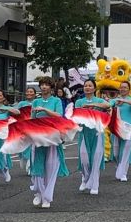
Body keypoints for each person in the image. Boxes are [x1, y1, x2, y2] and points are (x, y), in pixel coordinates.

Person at [30, 77, 69, 209]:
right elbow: (32, 119)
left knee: (50, 166)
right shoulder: (35, 101)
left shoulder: (56, 100)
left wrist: (45, 110)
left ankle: (47, 197)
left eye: (47, 85)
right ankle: (39, 193)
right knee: (38, 165)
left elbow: (59, 115)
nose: (44, 87)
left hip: (52, 136)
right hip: (38, 136)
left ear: (51, 87)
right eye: (42, 85)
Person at [74, 77, 110, 196]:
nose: (87, 88)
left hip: (97, 132)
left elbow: (107, 105)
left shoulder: (99, 100)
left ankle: (95, 184)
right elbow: (76, 115)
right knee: (84, 158)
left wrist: (93, 104)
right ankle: (85, 179)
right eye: (85, 86)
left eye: (90, 86)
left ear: (94, 88)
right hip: (84, 132)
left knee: (96, 158)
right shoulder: (79, 102)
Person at [111, 80, 131, 181]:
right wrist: (115, 103)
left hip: (127, 129)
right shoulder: (115, 100)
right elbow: (108, 105)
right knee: (115, 153)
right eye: (121, 87)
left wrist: (124, 101)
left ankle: (123, 173)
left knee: (126, 151)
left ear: (129, 90)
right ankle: (120, 168)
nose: (123, 89)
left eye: (125, 87)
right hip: (116, 128)